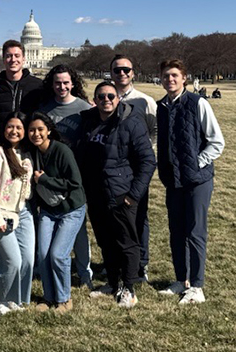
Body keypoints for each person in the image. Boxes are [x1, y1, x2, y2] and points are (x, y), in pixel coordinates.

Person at [77, 82, 156, 308]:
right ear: (95, 99)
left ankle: (129, 288)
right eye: (101, 96)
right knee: (105, 240)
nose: (106, 100)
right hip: (96, 191)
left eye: (111, 96)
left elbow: (148, 161)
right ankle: (112, 282)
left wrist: (133, 194)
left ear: (118, 98)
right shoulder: (89, 121)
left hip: (121, 192)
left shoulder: (130, 122)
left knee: (126, 242)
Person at [157, 60, 224, 304]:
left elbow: (217, 141)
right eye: (166, 76)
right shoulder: (161, 107)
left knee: (195, 232)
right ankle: (180, 279)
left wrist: (197, 163)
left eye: (174, 75)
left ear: (184, 78)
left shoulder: (199, 103)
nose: (170, 80)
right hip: (173, 180)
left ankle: (197, 285)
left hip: (197, 180)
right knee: (176, 231)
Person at [39, 64, 93, 289]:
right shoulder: (45, 109)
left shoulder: (84, 109)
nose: (62, 86)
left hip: (76, 174)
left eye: (66, 82)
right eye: (57, 82)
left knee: (79, 227)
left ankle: (84, 272)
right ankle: (49, 269)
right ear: (52, 84)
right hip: (51, 176)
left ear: (73, 83)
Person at [28, 112, 85, 313]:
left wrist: (44, 180)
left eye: (40, 129)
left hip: (71, 209)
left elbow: (75, 183)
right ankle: (48, 296)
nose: (36, 134)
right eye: (32, 130)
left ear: (49, 131)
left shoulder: (62, 151)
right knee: (43, 254)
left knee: (58, 254)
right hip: (48, 209)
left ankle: (64, 299)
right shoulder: (32, 152)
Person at [110, 54, 158, 283]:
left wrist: (147, 149)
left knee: (139, 216)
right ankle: (119, 261)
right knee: (115, 217)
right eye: (117, 70)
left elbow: (154, 129)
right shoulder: (105, 96)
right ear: (111, 73)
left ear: (133, 73)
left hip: (136, 168)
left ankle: (141, 264)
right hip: (112, 168)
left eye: (126, 70)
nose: (122, 73)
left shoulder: (145, 100)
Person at [0, 112, 34, 315]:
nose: (14, 131)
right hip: (1, 212)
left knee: (28, 259)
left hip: (23, 211)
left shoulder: (26, 152)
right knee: (12, 260)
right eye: (10, 127)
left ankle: (19, 300)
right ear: (4, 130)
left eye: (19, 128)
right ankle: (4, 300)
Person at [0, 39, 42, 145]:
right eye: (9, 56)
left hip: (29, 145)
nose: (13, 59)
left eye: (17, 55)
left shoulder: (38, 86)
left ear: (23, 58)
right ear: (4, 59)